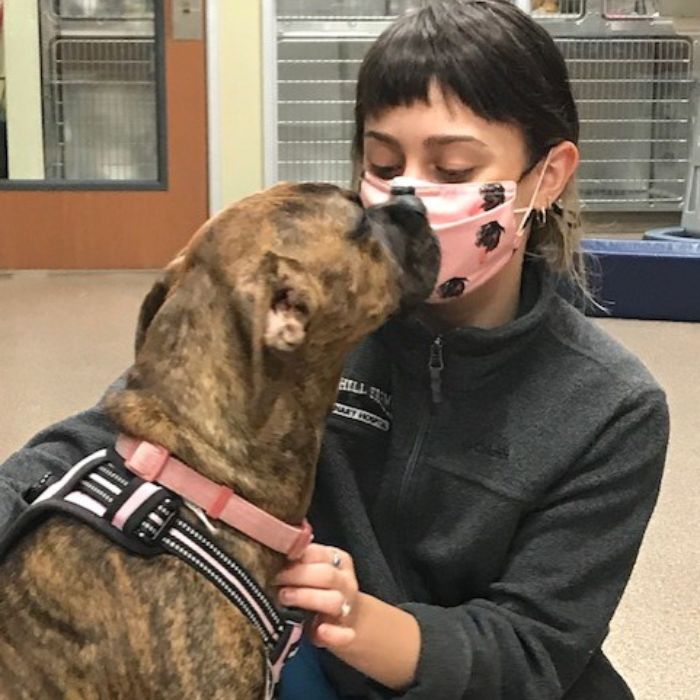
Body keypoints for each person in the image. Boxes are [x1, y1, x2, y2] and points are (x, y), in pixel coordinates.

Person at [0, 1, 668, 698]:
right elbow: (123, 429)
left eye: (454, 166)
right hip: (304, 664)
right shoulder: (318, 314)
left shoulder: (612, 407)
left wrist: (370, 625)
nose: (410, 192)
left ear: (550, 173)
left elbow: (533, 651)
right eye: (383, 161)